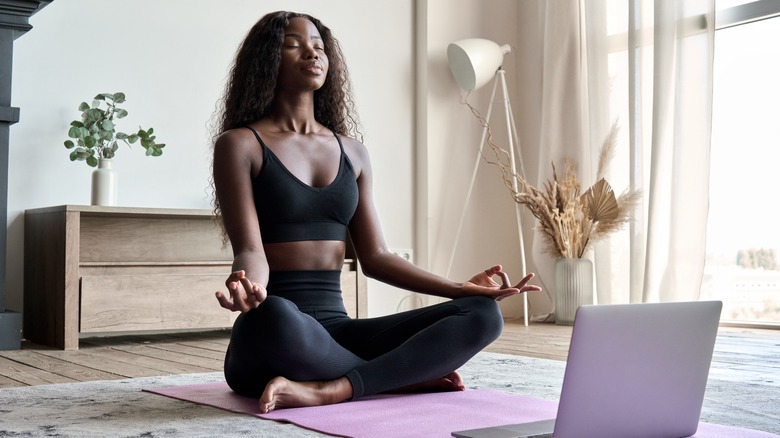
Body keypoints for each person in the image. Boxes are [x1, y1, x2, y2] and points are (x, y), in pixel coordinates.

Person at [211, 10, 541, 414]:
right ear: (267, 59)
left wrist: (460, 289)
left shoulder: (353, 152)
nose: (311, 52)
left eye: (318, 45)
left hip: (339, 334)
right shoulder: (240, 145)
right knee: (274, 314)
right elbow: (250, 250)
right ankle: (399, 378)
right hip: (277, 334)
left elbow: (377, 257)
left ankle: (333, 389)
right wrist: (249, 287)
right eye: (294, 44)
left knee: (483, 315)